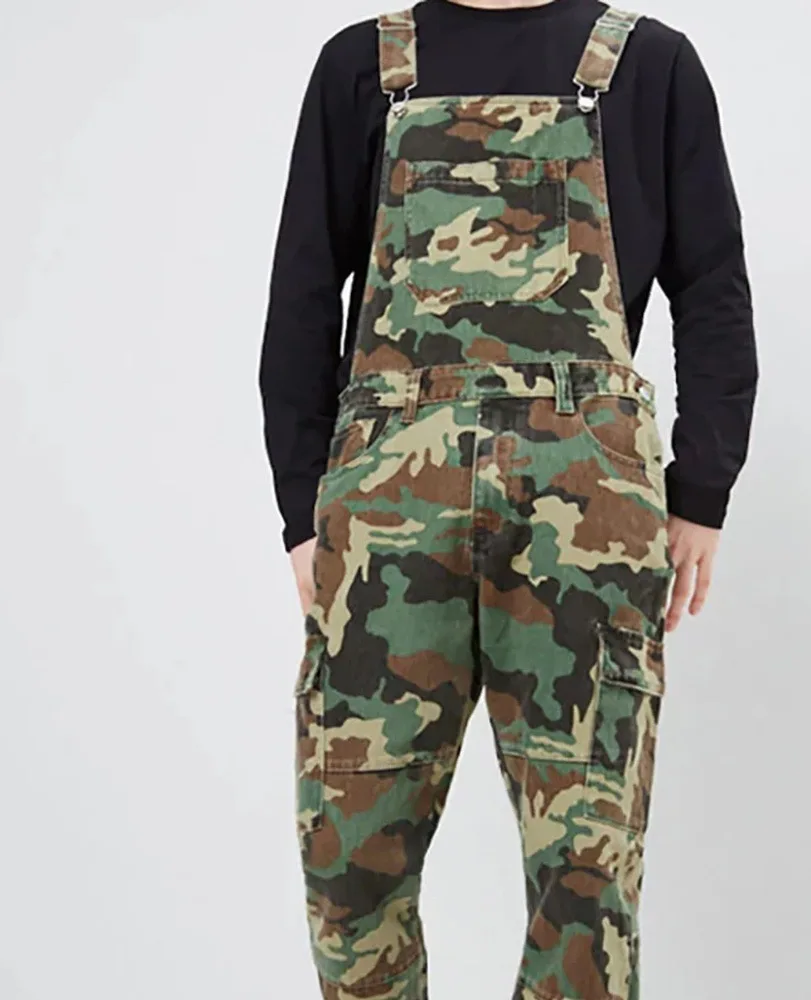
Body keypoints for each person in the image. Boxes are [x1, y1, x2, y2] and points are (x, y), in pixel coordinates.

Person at [258, 1, 757, 997]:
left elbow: (712, 283)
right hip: (385, 509)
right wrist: (301, 502)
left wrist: (701, 487)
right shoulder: (363, 66)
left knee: (586, 876)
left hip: (588, 509)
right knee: (349, 861)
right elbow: (304, 289)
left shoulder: (647, 64)